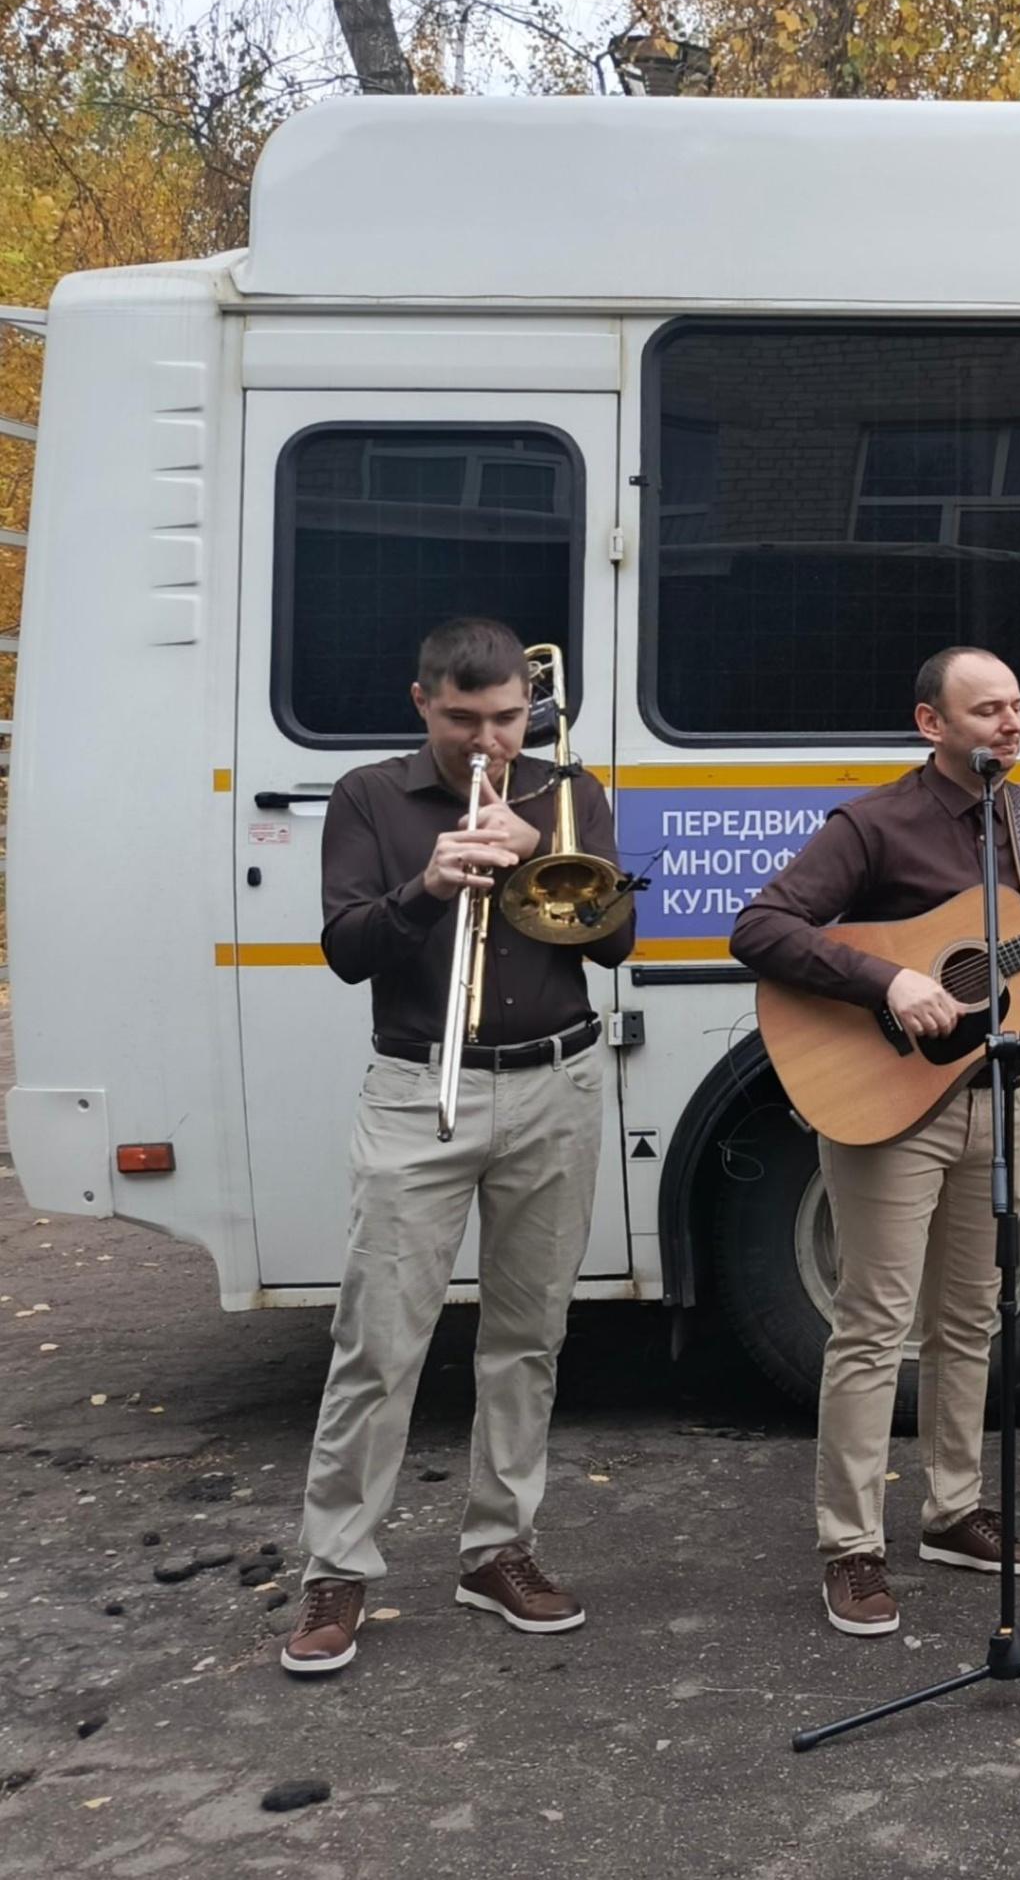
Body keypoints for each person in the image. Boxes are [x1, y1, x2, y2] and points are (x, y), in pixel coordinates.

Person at [731, 648, 1020, 1637]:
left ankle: (952, 1508)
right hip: (889, 1101)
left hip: (1003, 1092)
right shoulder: (873, 823)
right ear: (931, 723)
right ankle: (851, 1546)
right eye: (986, 709)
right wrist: (888, 983)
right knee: (872, 1321)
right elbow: (762, 926)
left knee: (973, 1314)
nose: (1010, 723)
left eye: (1018, 707)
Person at [281, 617, 637, 1677]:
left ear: (530, 707)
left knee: (527, 1337)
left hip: (558, 1082)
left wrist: (545, 851)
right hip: (415, 1087)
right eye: (465, 718)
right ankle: (337, 1566)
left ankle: (499, 1549)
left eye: (506, 718)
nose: (489, 741)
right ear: (422, 702)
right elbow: (347, 948)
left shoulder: (567, 790)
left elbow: (615, 940)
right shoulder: (371, 798)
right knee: (378, 1342)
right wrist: (429, 885)